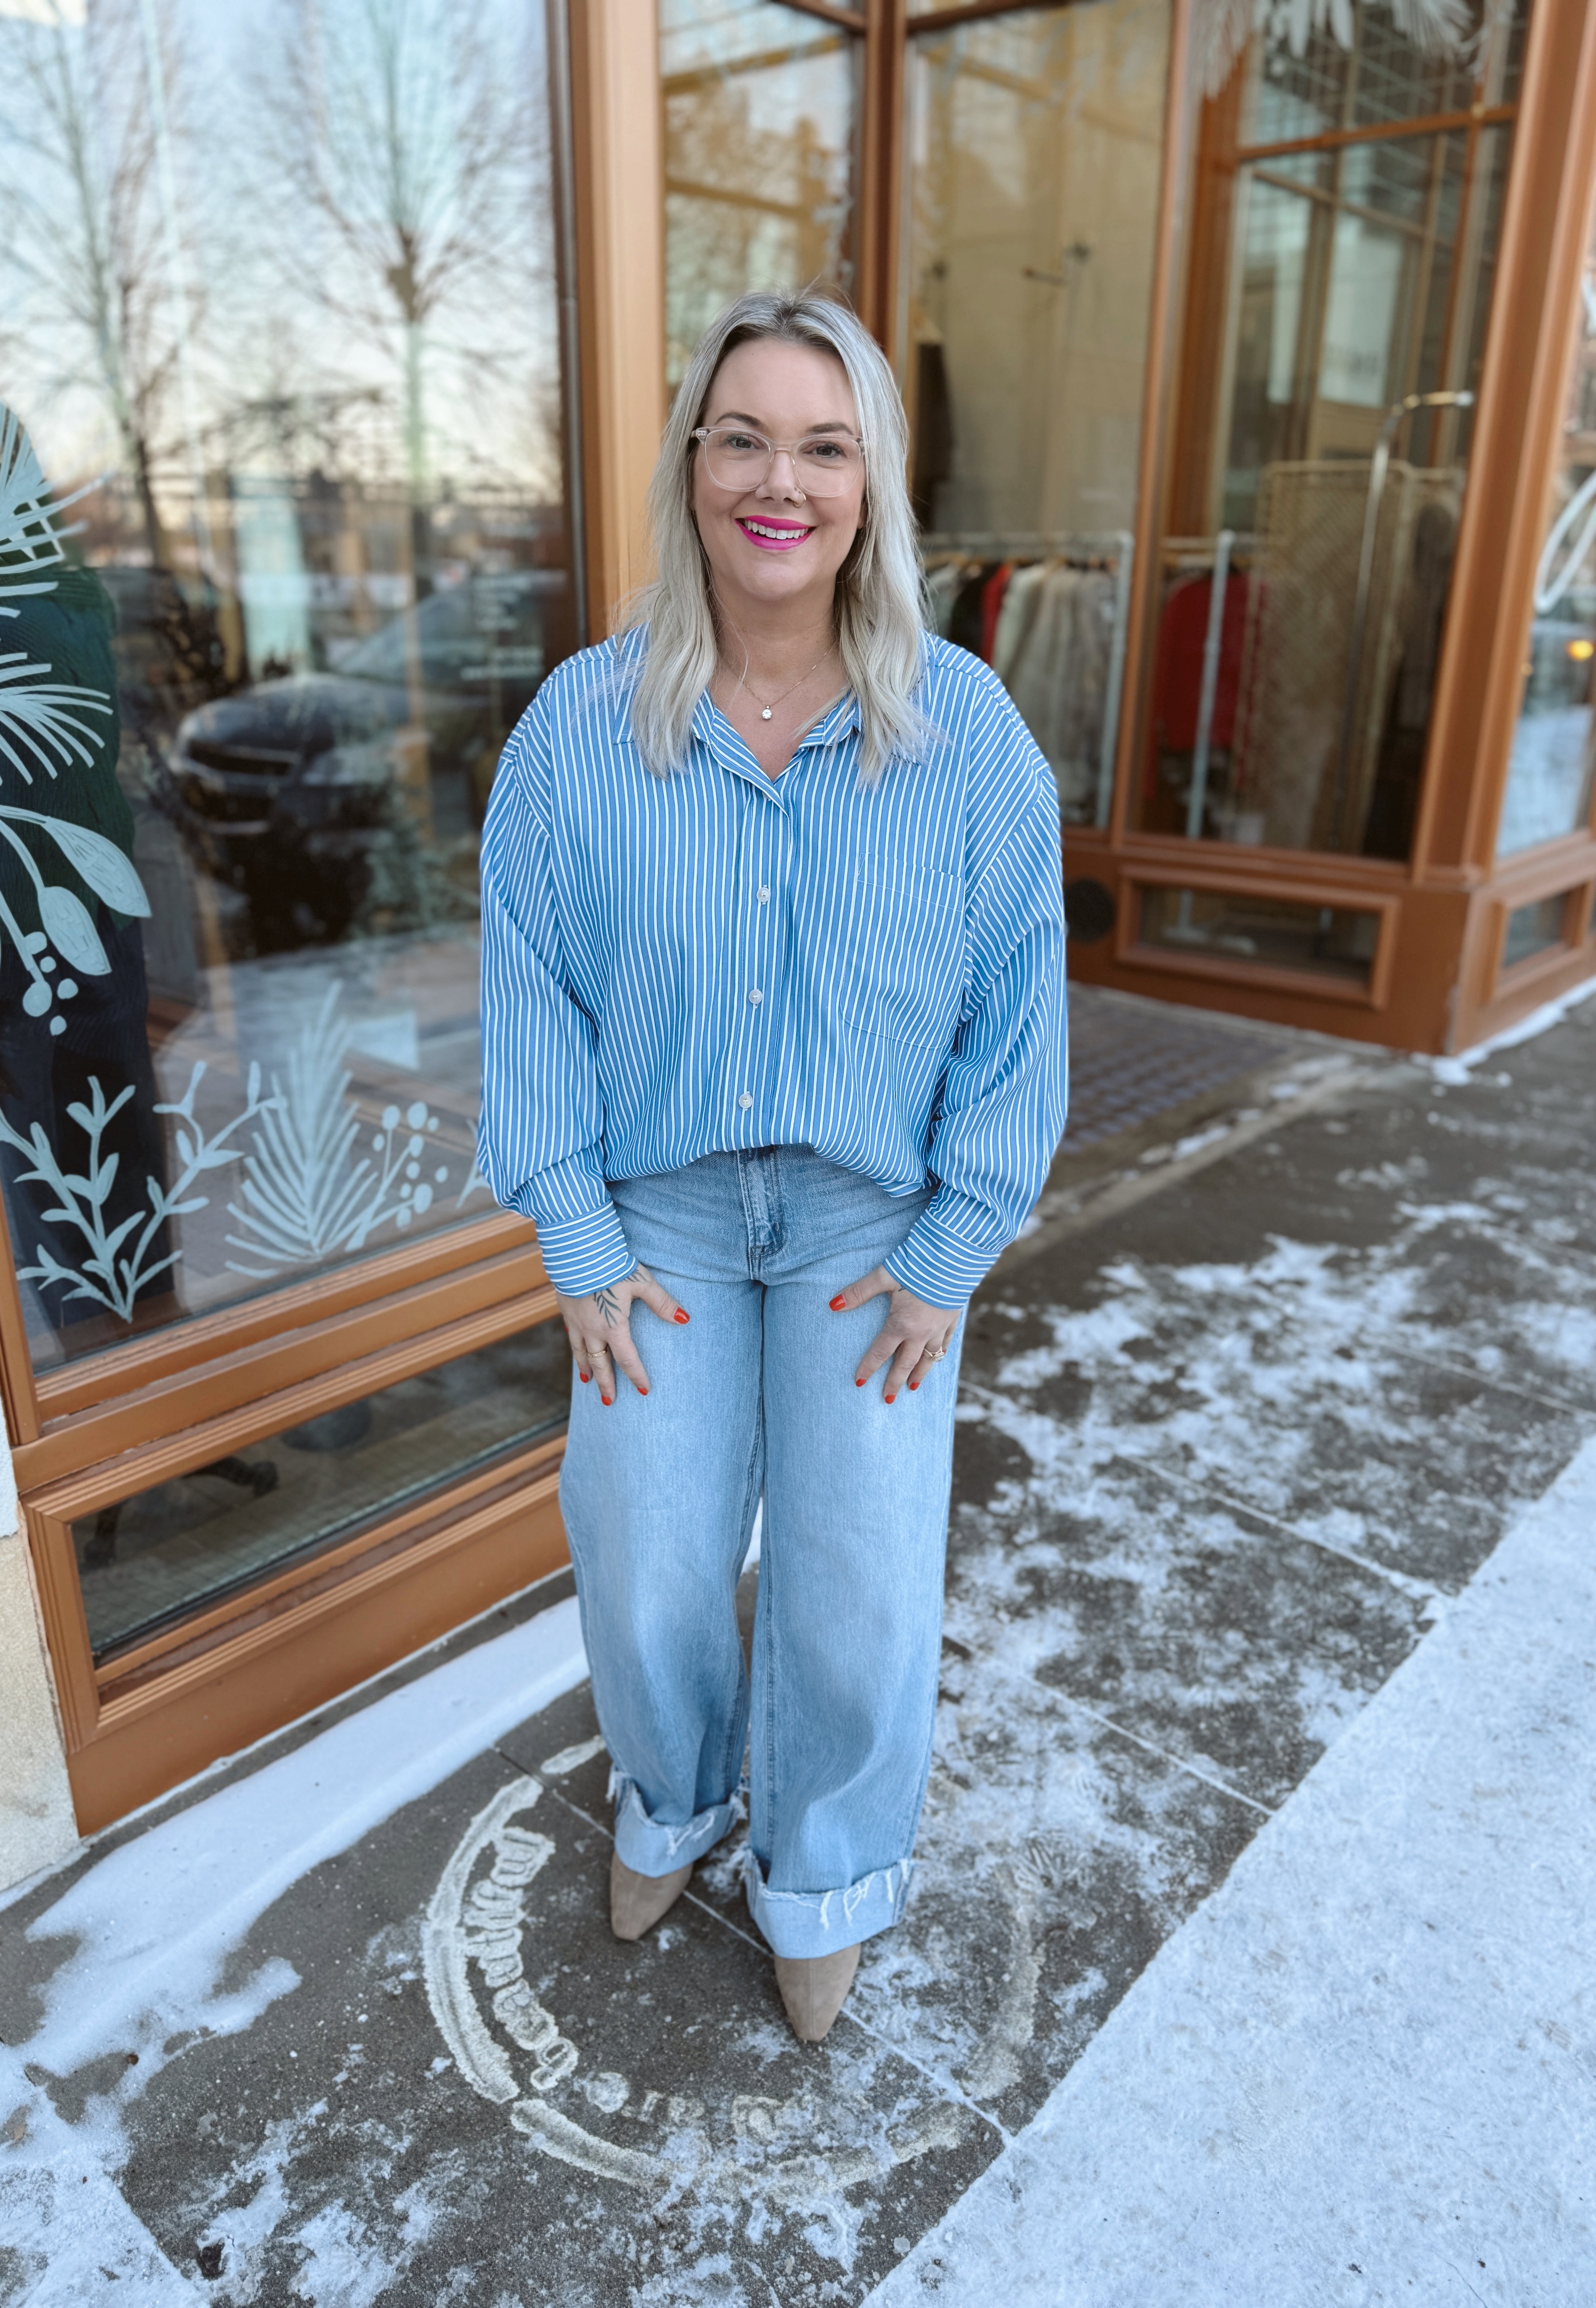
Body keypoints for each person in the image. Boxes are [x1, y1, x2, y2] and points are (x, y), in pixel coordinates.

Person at [477, 289, 1067, 2043]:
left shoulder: (966, 741)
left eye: (823, 444)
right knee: (646, 1550)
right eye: (741, 435)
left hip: (865, 1226)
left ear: (871, 485)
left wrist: (956, 1241)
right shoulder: (578, 729)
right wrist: (575, 1239)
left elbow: (1018, 1008)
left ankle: (820, 1870)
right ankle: (675, 1800)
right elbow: (526, 988)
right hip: (653, 1215)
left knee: (857, 1577)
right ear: (690, 464)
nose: (777, 480)